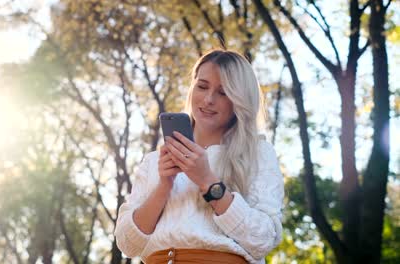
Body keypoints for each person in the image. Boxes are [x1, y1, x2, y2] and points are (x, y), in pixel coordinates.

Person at [114, 49, 284, 264]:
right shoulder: (152, 161)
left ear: (239, 101)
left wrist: (208, 182)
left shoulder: (258, 153)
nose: (209, 99)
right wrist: (164, 185)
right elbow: (127, 244)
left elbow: (263, 240)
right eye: (202, 87)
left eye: (223, 92)